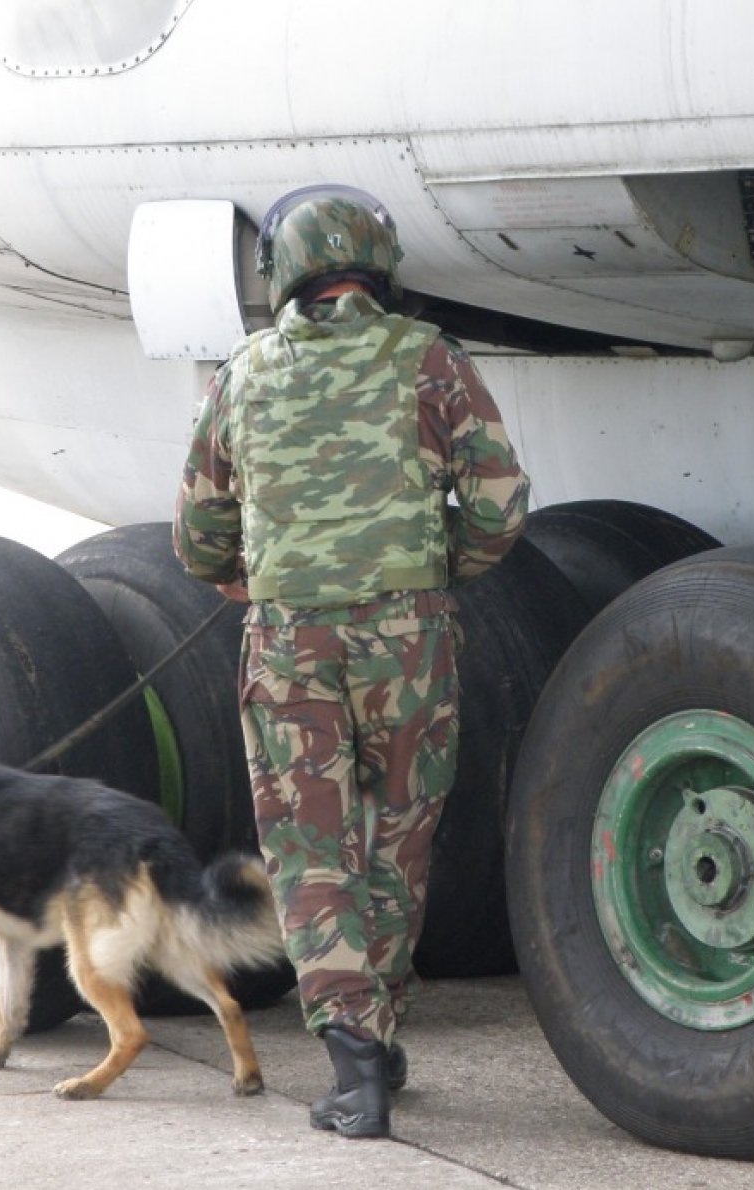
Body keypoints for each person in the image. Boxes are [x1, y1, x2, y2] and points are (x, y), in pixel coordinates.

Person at [173, 185, 530, 1139]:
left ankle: (355, 1060)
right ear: (380, 266)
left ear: (284, 272)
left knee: (311, 849)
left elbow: (199, 538)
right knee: (397, 839)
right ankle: (378, 1030)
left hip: (290, 642)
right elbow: (498, 505)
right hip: (409, 637)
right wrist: (426, 574)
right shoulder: (431, 361)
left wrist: (256, 582)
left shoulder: (242, 375)